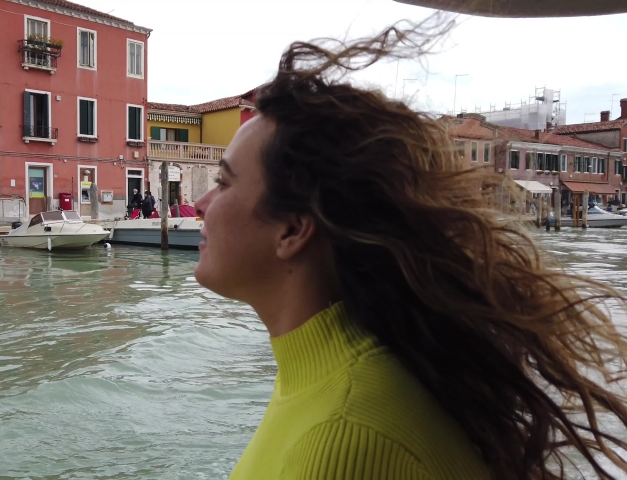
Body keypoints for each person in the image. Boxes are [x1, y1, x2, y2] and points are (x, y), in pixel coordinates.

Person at [193, 15, 627, 480]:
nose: (200, 204)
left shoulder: (346, 435)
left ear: (293, 230)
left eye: (223, 182)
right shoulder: (336, 377)